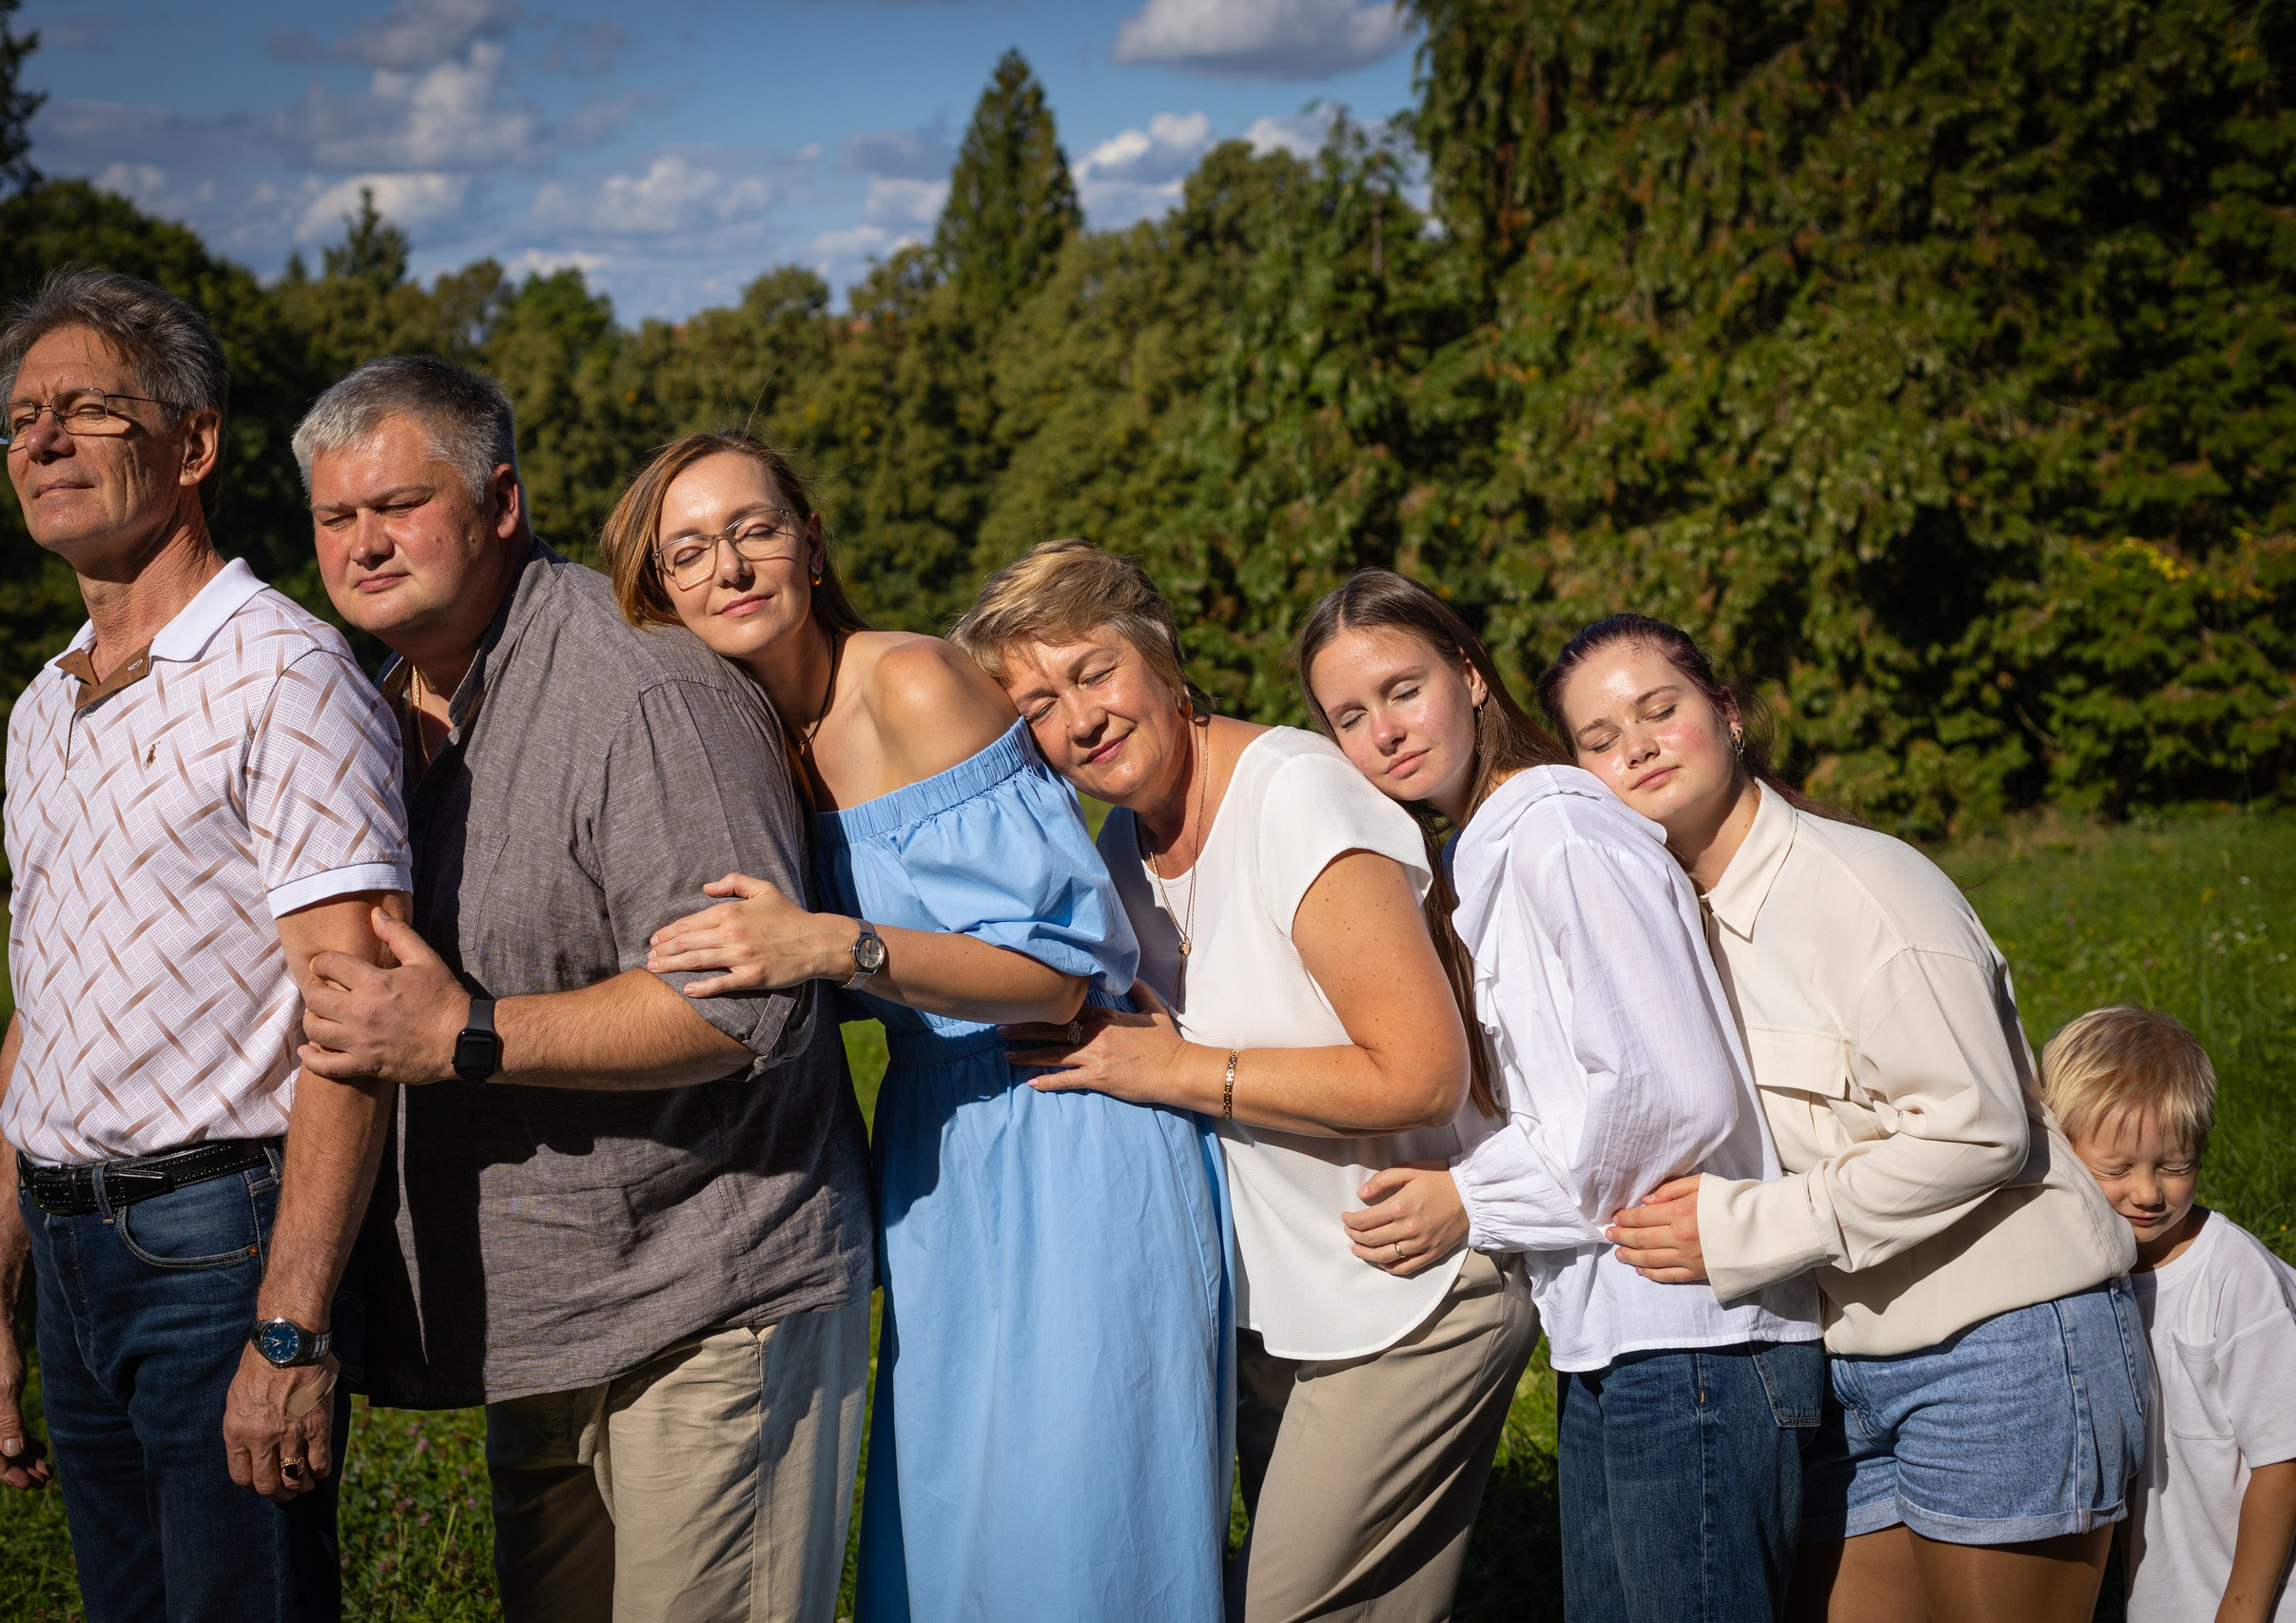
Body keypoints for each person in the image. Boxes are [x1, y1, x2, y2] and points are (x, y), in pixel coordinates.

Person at [605, 433, 1230, 1623]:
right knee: (953, 1519)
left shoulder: (911, 682)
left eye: (755, 530)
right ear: (659, 590)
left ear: (810, 543)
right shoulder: (750, 739)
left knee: (1074, 1523)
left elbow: (1059, 971)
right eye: (690, 551)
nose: (730, 567)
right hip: (937, 1145)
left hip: (1066, 1117)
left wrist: (830, 943)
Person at [282, 366, 875, 1623]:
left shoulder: (641, 688)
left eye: (399, 502)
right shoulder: (383, 716)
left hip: (708, 1304)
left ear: (501, 500)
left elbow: (740, 1005)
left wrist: (469, 1036)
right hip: (546, 1322)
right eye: (337, 518)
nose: (365, 543)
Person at [955, 540, 1534, 1623]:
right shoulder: (1122, 848)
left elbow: (1419, 1073)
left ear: (1161, 660)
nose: (1077, 719)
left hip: (1407, 1294)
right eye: (1036, 704)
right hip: (1279, 1313)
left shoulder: (1296, 794)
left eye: (1092, 672)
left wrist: (1183, 1070)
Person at [0, 267, 411, 1622]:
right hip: (69, 1248)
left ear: (192, 444)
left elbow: (354, 1007)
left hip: (220, 1251)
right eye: (22, 419)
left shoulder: (284, 670)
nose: (38, 441)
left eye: (86, 410)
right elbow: (39, 1009)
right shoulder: (44, 706)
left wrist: (291, 1324)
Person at [1545, 615, 2142, 1623]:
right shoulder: (1659, 925)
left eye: (1660, 709)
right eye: (1599, 740)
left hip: (1997, 1343)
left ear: (1727, 714)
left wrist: (1739, 1228)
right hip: (1840, 1367)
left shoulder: (1862, 888)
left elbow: (1978, 1127)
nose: (1636, 745)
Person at [1294, 570, 1828, 1622]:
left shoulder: (1558, 831)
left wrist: (1469, 1200)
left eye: (1404, 689)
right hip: (1613, 1336)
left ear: (1472, 675)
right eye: (1349, 717)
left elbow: (1668, 1092)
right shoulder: (1482, 848)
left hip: (1700, 1344)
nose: (1385, 733)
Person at [2042, 1006, 2296, 1623]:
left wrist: (2241, 1611)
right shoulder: (2085, 1274)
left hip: (2272, 1599)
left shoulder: (2237, 1280)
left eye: (2174, 1166)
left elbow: (2288, 1461)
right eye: (2116, 1170)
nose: (2147, 1192)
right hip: (2170, 1590)